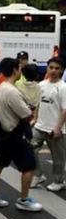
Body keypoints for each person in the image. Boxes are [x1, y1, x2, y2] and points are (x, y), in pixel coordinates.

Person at [0, 58, 42, 212]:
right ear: (15, 70)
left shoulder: (2, 86)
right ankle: (23, 200)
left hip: (3, 134)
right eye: (19, 68)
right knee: (29, 167)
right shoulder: (12, 91)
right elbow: (26, 115)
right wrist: (31, 110)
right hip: (15, 135)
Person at [30, 57, 66, 191]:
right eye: (51, 67)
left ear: (61, 70)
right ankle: (38, 175)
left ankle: (59, 181)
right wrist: (35, 118)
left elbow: (64, 110)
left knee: (58, 158)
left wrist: (58, 128)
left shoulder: (63, 88)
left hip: (55, 129)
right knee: (29, 149)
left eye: (57, 68)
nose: (53, 70)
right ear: (47, 68)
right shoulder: (42, 85)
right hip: (39, 126)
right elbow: (38, 104)